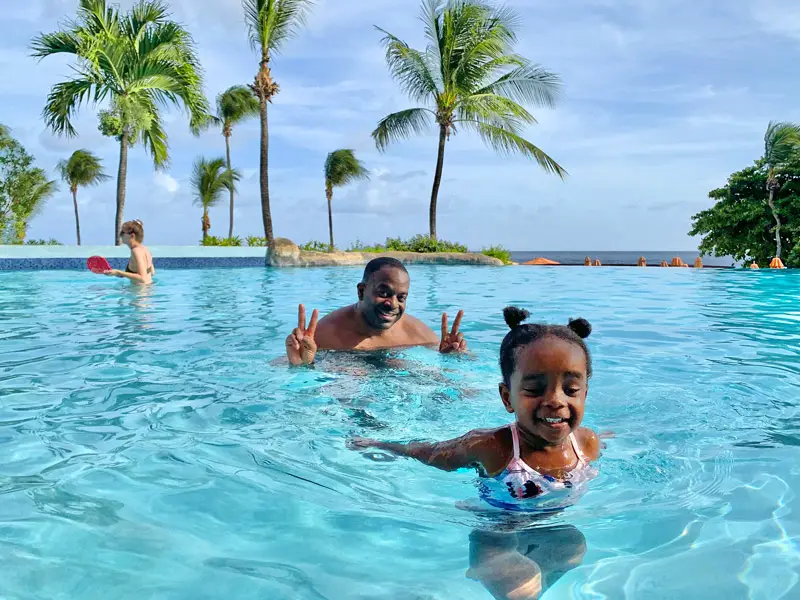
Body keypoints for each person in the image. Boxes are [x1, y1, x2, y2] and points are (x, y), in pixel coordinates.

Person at [350, 306, 601, 599]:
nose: (555, 401)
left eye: (571, 389)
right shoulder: (492, 447)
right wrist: (384, 445)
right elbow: (432, 453)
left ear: (585, 393)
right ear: (507, 398)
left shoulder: (587, 444)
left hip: (550, 527)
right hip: (495, 531)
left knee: (574, 545)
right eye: (534, 390)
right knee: (520, 590)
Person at [286, 257, 467, 366]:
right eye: (384, 293)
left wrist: (450, 359)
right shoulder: (324, 335)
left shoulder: (419, 335)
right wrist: (301, 366)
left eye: (401, 297)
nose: (393, 304)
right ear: (361, 291)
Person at [104, 219, 155, 284]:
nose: (120, 234)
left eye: (123, 232)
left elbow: (143, 278)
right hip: (149, 289)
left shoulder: (136, 251)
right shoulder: (145, 249)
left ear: (132, 236)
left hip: (139, 292)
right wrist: (123, 274)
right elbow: (152, 272)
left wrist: (118, 272)